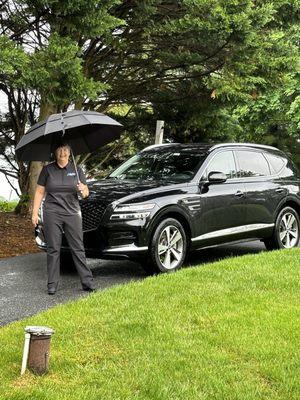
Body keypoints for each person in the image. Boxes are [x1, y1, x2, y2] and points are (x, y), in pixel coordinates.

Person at [31, 141, 95, 295]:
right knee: (53, 248)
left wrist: (83, 189)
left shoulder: (77, 169)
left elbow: (85, 194)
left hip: (72, 213)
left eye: (65, 149)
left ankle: (87, 282)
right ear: (55, 152)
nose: (63, 152)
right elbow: (40, 192)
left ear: (69, 151)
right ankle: (52, 284)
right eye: (60, 149)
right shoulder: (47, 170)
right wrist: (34, 213)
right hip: (52, 212)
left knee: (78, 248)